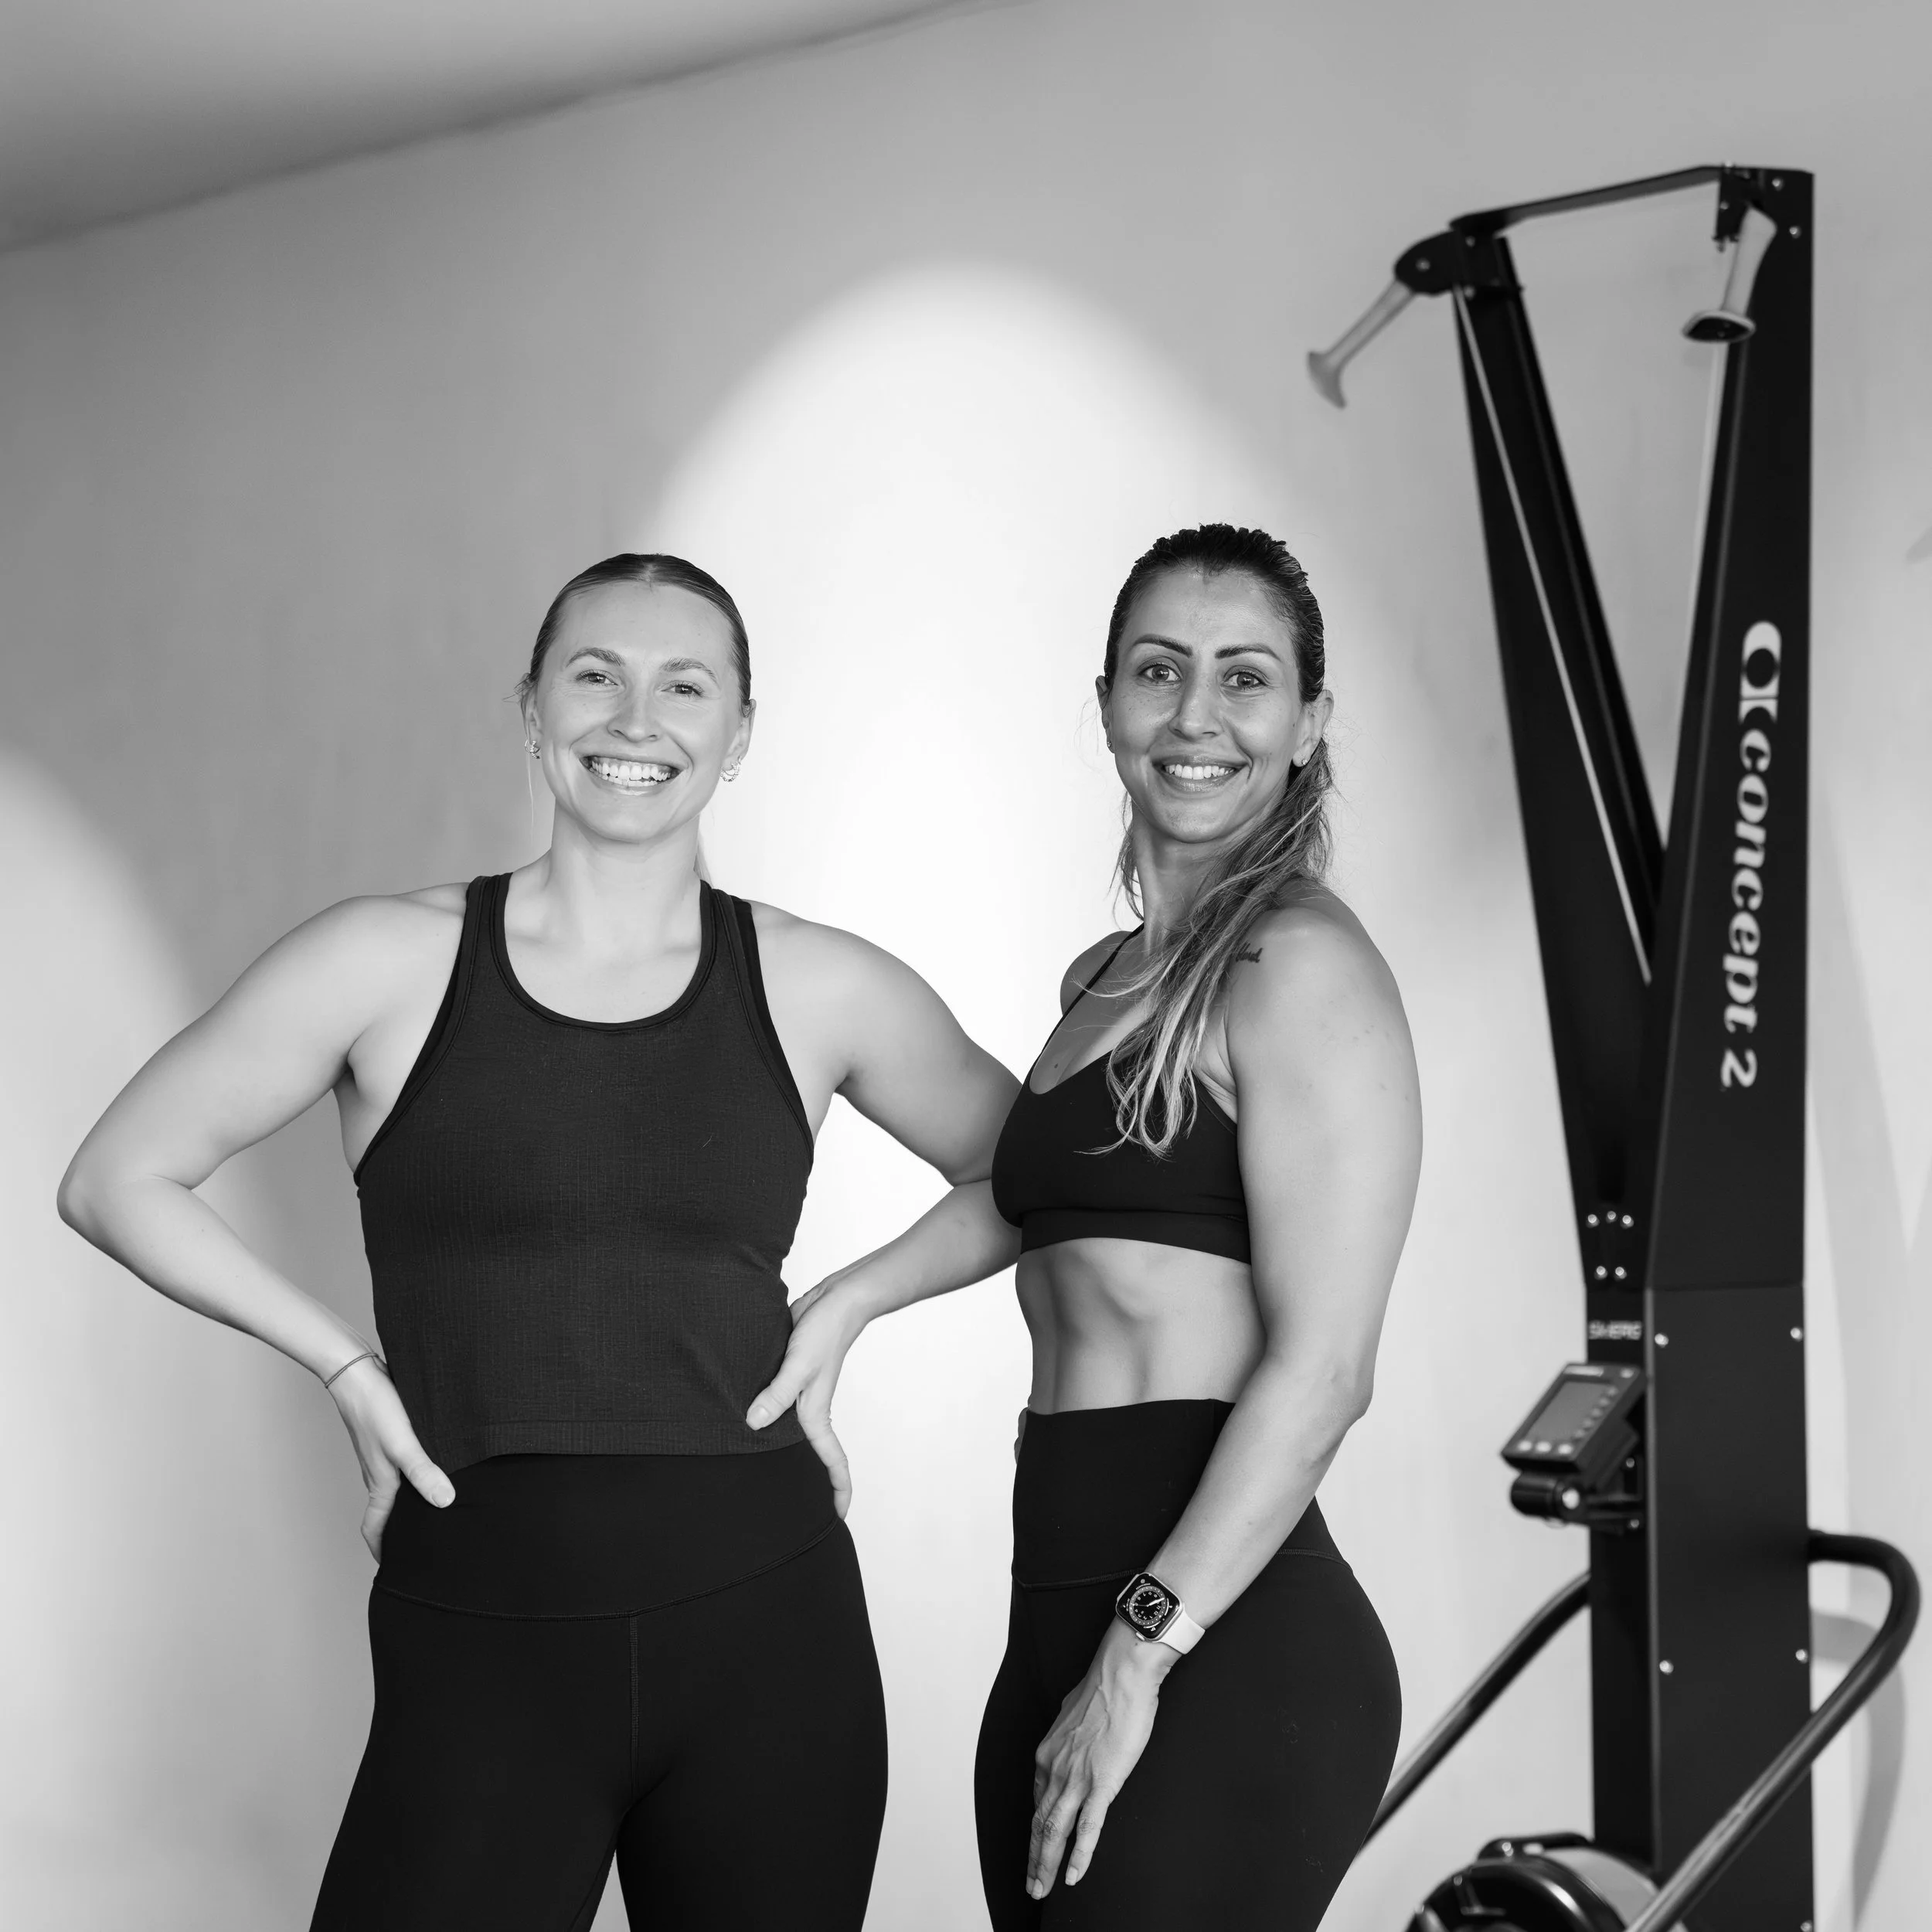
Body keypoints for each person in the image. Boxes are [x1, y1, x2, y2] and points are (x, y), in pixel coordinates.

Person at [57, 553, 1020, 1932]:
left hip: (770, 1630)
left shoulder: (820, 981)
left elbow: (1030, 1171)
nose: (638, 721)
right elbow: (118, 1177)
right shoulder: (383, 962)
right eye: (595, 676)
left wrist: (853, 1302)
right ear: (531, 707)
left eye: (685, 686)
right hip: (482, 1621)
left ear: (739, 732)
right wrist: (343, 1367)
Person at [752, 523, 1420, 1928]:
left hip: (1214, 1635)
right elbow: (1039, 1190)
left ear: (1310, 724)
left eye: (1246, 680)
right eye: (1159, 672)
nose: (1196, 718)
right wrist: (849, 1302)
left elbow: (1326, 1371)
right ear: (1108, 701)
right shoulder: (1111, 976)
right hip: (1059, 1599)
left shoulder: (1298, 968)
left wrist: (1137, 1655)